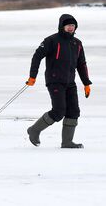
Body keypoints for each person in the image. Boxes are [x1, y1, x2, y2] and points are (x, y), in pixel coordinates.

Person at [25, 14, 92, 148]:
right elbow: (37, 56)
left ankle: (67, 142)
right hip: (55, 80)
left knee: (73, 111)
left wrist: (86, 83)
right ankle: (34, 130)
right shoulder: (52, 40)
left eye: (73, 26)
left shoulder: (77, 43)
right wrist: (33, 76)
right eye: (68, 26)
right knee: (58, 111)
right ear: (62, 26)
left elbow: (82, 64)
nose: (71, 28)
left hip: (70, 82)